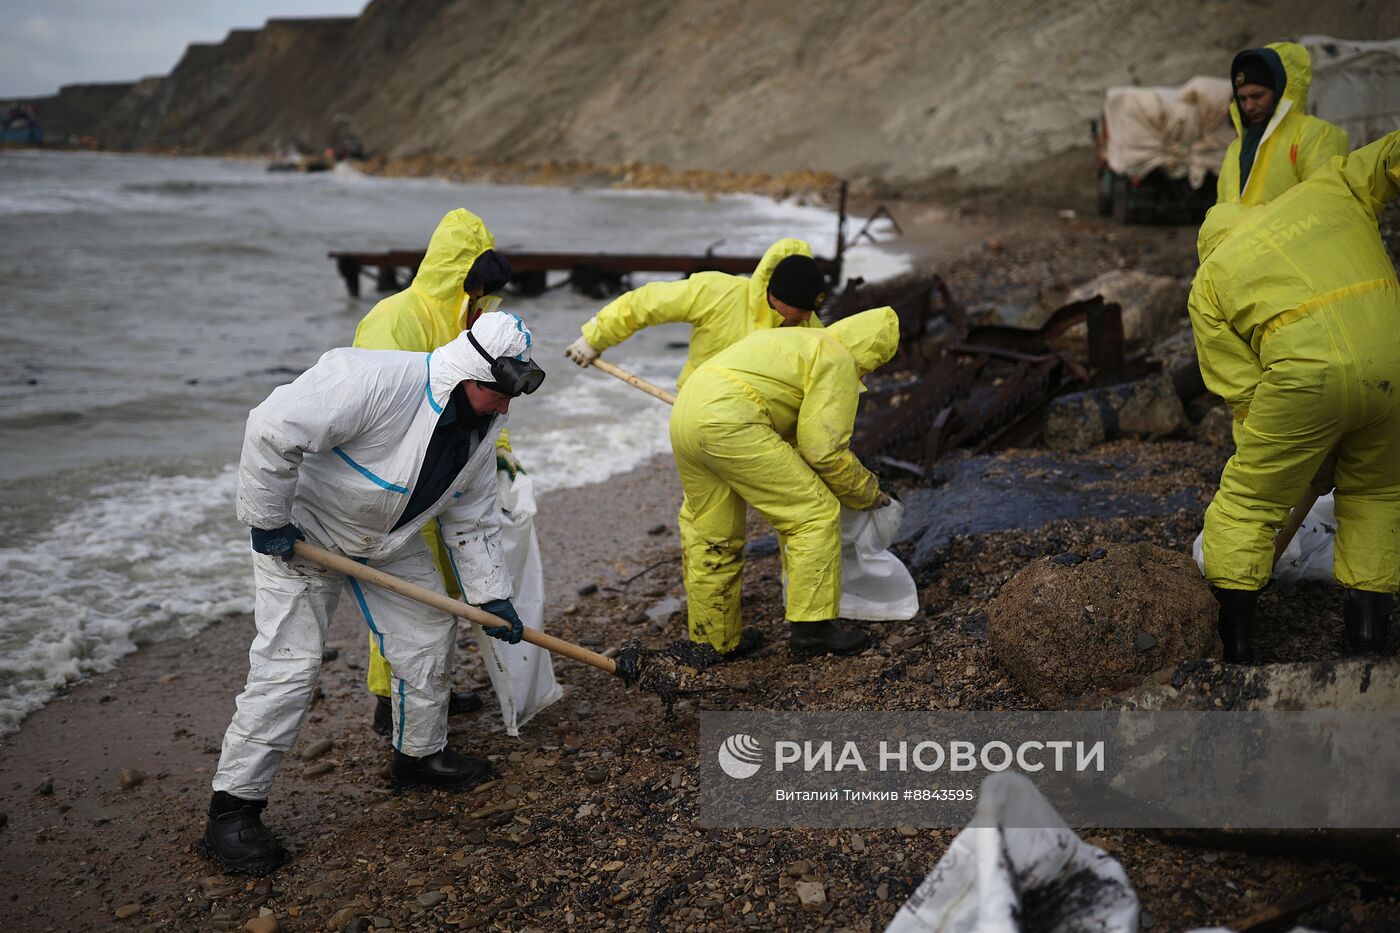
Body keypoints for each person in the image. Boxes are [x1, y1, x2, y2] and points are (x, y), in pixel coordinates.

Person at [201, 312, 545, 875]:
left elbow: (471, 518)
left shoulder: (480, 432)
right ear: (469, 377)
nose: (505, 408)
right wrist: (267, 519)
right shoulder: (372, 378)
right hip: (304, 536)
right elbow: (270, 427)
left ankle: (418, 757)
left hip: (390, 542)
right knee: (289, 666)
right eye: (499, 395)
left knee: (428, 635)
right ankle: (232, 810)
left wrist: (490, 596)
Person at [1190, 130, 1400, 663]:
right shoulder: (1330, 188)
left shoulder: (1211, 277)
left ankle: (1234, 646)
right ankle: (1369, 641)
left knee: (1249, 502)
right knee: (1377, 494)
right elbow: (1388, 156)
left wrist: (1294, 456)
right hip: (1393, 358)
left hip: (1306, 374)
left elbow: (1240, 387)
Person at [353, 208, 520, 737]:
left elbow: (486, 395)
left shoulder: (464, 324)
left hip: (442, 481)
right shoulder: (395, 318)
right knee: (404, 599)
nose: (483, 300)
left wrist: (503, 454)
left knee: (444, 596)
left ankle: (426, 692)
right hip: (395, 486)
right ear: (458, 274)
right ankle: (390, 699)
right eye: (478, 287)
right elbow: (369, 405)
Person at [669, 306, 900, 662]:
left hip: (687, 412)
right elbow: (823, 451)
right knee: (815, 513)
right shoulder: (837, 359)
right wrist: (868, 493)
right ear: (871, 354)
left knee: (712, 534)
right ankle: (813, 629)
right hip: (730, 422)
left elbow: (790, 429)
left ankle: (713, 641)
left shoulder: (795, 340)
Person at [563, 239, 828, 384]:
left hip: (761, 431)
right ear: (775, 294)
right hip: (697, 414)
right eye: (801, 309)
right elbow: (646, 303)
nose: (807, 318)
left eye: (811, 310)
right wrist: (595, 338)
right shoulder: (718, 291)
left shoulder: (811, 329)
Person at [1215, 41, 1348, 207]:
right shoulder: (1235, 150)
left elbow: (1326, 203)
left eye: (1257, 96)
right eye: (1242, 98)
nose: (1249, 106)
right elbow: (1221, 209)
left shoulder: (1316, 134)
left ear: (1278, 91)